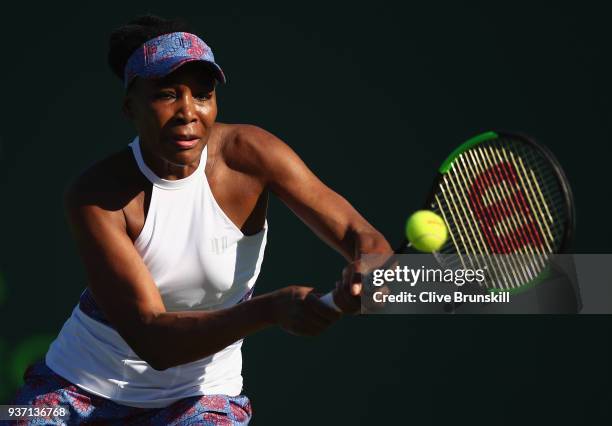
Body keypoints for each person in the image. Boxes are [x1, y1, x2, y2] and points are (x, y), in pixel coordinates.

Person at [5, 14, 391, 425]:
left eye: (202, 94)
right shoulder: (95, 194)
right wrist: (272, 309)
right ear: (129, 107)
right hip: (76, 384)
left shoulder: (252, 153)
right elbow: (155, 340)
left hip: (202, 397)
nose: (187, 111)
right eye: (167, 94)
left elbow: (359, 235)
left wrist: (369, 274)